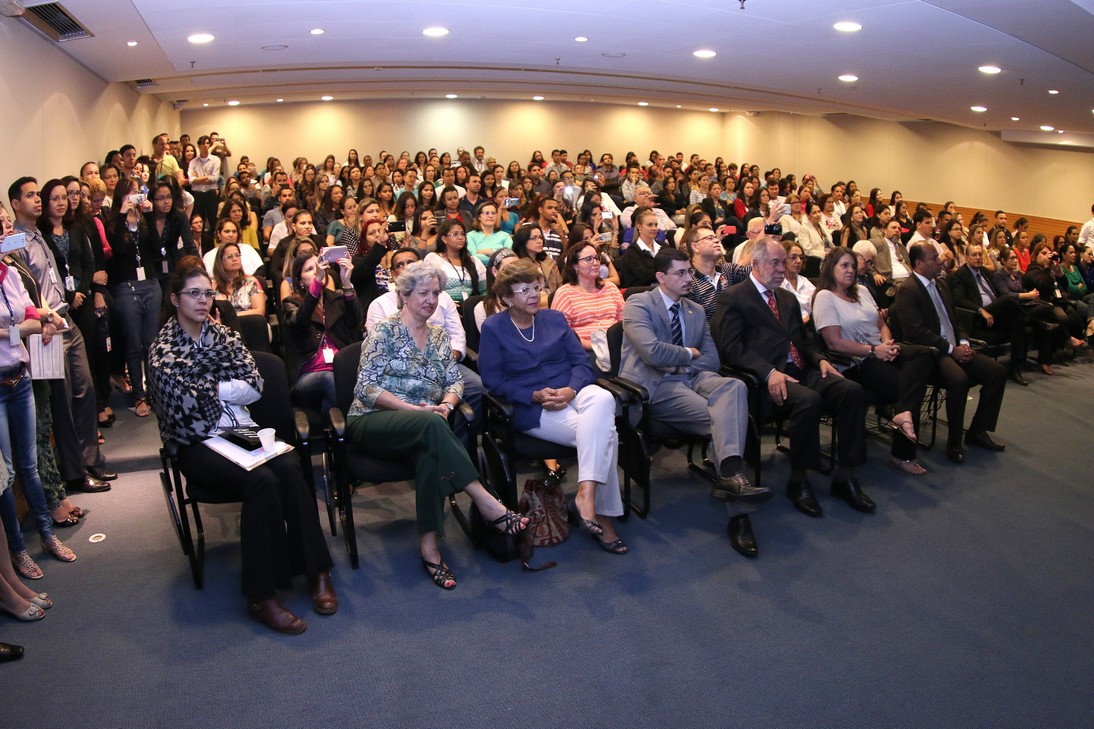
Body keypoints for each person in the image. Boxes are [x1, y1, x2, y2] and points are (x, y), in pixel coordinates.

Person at [149, 258, 337, 633]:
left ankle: (316, 571)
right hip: (196, 440)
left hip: (238, 432)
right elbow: (181, 403)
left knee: (289, 471)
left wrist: (209, 386)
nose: (203, 300)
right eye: (193, 294)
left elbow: (253, 385)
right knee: (261, 482)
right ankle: (261, 595)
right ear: (174, 299)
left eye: (207, 293)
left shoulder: (224, 336)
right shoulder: (163, 349)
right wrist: (226, 387)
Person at [346, 261, 528, 588]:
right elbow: (366, 388)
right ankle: (487, 502)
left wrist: (446, 405)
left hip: (427, 423)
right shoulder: (383, 332)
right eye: (423, 293)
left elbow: (454, 382)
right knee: (431, 425)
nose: (431, 300)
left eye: (436, 293)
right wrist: (412, 411)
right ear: (404, 295)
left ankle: (429, 548)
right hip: (372, 420)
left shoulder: (440, 336)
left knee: (431, 450)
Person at [714, 237, 875, 517]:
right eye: (775, 263)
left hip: (801, 370)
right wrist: (768, 372)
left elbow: (803, 340)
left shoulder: (786, 298)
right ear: (756, 263)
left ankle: (846, 476)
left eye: (783, 262)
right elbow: (731, 349)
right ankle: (799, 480)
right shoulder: (735, 297)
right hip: (763, 379)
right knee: (809, 400)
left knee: (851, 391)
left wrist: (820, 359)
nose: (782, 268)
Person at [620, 248, 764, 556]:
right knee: (724, 421)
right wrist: (687, 354)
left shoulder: (695, 310)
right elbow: (652, 353)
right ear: (661, 277)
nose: (689, 278)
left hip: (693, 378)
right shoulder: (638, 303)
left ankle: (729, 475)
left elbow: (711, 359)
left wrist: (680, 364)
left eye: (689, 271)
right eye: (681, 273)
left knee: (735, 386)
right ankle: (739, 515)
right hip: (658, 387)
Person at [479, 259, 627, 554]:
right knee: (605, 436)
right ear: (506, 298)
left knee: (604, 398)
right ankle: (602, 517)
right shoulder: (494, 328)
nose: (534, 294)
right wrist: (532, 395)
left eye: (536, 287)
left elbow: (581, 363)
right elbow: (493, 381)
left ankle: (586, 495)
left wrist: (571, 390)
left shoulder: (554, 319)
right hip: (534, 405)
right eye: (524, 290)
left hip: (571, 389)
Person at [10, 178, 115, 493]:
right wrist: (45, 319)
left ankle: (91, 460)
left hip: (65, 320)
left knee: (85, 390)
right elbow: (24, 293)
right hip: (46, 329)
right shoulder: (15, 242)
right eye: (30, 195)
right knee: (63, 403)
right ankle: (74, 472)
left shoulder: (39, 234)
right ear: (15, 204)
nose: (38, 200)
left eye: (37, 194)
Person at [0, 211, 78, 579]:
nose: (5, 232)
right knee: (7, 475)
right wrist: (21, 328)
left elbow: (32, 317)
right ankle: (17, 550)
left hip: (20, 378)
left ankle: (47, 536)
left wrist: (13, 330)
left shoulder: (10, 273)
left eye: (5, 225)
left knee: (29, 466)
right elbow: (25, 324)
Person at [812, 248, 937, 476]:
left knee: (923, 354)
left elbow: (881, 325)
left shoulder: (862, 291)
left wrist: (886, 344)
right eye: (844, 265)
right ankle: (902, 454)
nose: (850, 270)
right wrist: (873, 351)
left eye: (853, 265)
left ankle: (902, 414)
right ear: (831, 268)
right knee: (907, 386)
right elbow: (833, 343)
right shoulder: (825, 297)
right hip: (855, 362)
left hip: (880, 351)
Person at [889, 243, 1008, 465]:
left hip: (955, 347)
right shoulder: (908, 289)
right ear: (919, 263)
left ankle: (978, 430)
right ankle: (954, 442)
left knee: (997, 372)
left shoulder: (942, 284)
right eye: (934, 258)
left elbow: (956, 320)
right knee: (959, 380)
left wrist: (963, 342)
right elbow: (917, 332)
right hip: (932, 354)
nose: (939, 261)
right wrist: (952, 350)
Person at [948, 243, 1029, 386]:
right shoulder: (961, 275)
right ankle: (1032, 320)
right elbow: (959, 299)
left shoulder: (984, 271)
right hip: (978, 317)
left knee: (1018, 324)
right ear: (966, 257)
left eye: (980, 254)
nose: (978, 257)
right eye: (974, 255)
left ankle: (1014, 368)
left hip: (995, 314)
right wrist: (980, 310)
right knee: (1007, 299)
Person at [550, 240, 624, 351]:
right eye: (588, 259)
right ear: (575, 266)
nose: (596, 263)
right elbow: (561, 333)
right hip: (584, 350)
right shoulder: (564, 294)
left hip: (617, 347)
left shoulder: (610, 288)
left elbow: (625, 322)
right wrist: (595, 346)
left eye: (596, 258)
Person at [423, 218, 485, 304]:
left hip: (470, 307)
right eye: (455, 234)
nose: (460, 237)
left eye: (463, 234)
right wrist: (449, 304)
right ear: (444, 239)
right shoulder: (433, 258)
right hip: (443, 307)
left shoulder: (474, 261)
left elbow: (485, 291)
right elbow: (428, 289)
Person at [211, 243, 267, 319]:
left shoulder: (251, 282)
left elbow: (260, 311)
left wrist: (231, 317)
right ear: (220, 261)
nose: (235, 259)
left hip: (249, 323)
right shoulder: (213, 286)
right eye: (229, 256)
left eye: (237, 255)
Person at [510, 224, 561, 306]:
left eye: (541, 237)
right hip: (531, 303)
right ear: (523, 241)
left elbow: (560, 285)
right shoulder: (516, 265)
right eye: (534, 238)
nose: (539, 241)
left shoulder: (549, 262)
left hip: (554, 301)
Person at [779, 240, 816, 324]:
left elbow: (818, 305)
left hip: (811, 325)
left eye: (801, 257)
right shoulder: (777, 284)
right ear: (783, 259)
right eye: (793, 257)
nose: (799, 261)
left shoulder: (805, 282)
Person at [465, 200, 512, 265]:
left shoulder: (505, 236)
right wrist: (499, 255)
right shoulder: (470, 236)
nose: (490, 216)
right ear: (479, 217)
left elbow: (509, 258)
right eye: (486, 213)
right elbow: (473, 258)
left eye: (493, 213)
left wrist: (490, 252)